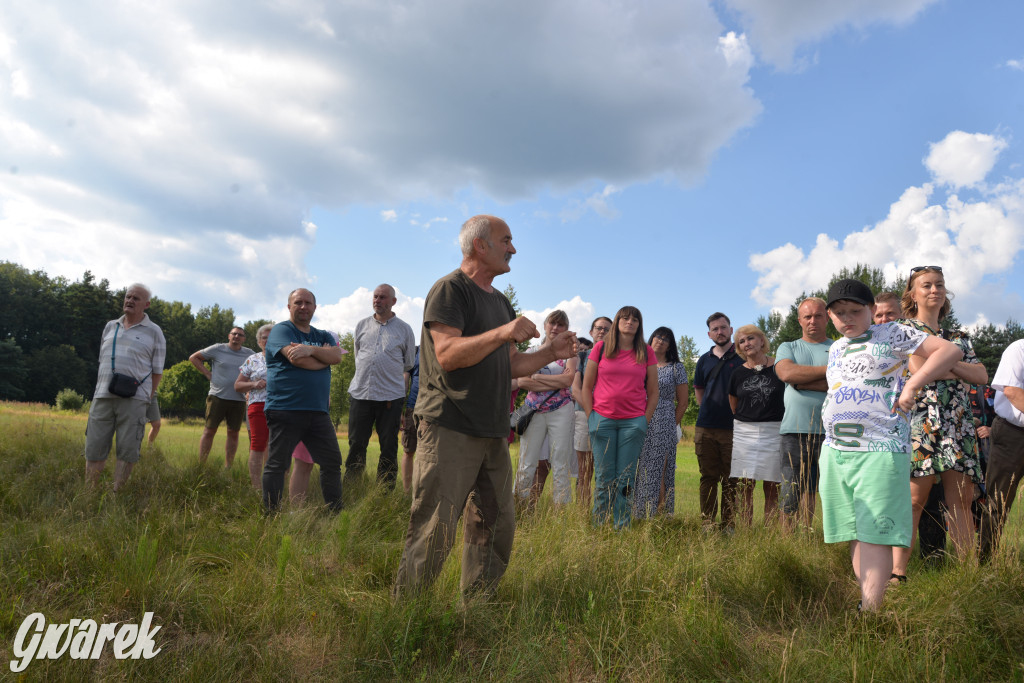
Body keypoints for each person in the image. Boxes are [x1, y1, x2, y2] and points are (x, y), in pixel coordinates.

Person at [393, 215, 577, 599]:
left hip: (493, 429)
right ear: (480, 245)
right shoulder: (450, 290)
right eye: (506, 239)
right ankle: (407, 614)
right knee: (435, 527)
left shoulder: (501, 302)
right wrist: (504, 332)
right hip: (450, 425)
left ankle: (477, 608)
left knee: (495, 524)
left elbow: (511, 364)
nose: (513, 248)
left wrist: (547, 352)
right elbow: (447, 354)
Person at [819, 279, 961, 611]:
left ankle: (870, 613)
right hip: (836, 450)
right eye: (839, 313)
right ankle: (866, 603)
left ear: (871, 309)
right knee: (855, 530)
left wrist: (914, 383)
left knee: (875, 533)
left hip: (880, 448)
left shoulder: (892, 333)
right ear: (830, 315)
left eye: (856, 311)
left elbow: (950, 350)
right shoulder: (837, 347)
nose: (848, 318)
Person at [891, 266, 987, 581]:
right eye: (927, 285)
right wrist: (956, 364)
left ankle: (968, 574)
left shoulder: (959, 336)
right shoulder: (904, 328)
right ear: (912, 293)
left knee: (960, 500)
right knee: (915, 499)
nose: (934, 290)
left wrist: (944, 364)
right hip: (919, 420)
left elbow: (982, 376)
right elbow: (920, 365)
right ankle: (897, 572)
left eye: (940, 285)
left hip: (957, 423)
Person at [261, 288, 344, 513]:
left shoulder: (322, 335)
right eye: (298, 302)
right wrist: (322, 358)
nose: (303, 307)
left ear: (315, 308)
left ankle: (335, 513)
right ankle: (271, 516)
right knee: (278, 465)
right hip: (285, 409)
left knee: (332, 462)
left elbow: (336, 356)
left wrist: (309, 349)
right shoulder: (281, 331)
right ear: (289, 306)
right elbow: (297, 360)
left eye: (308, 303)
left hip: (318, 412)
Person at [580, 306, 658, 529]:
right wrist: (591, 417)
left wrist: (644, 420)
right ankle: (598, 525)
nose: (630, 322)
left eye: (635, 319)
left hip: (633, 423)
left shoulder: (646, 351)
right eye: (625, 318)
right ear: (617, 321)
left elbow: (653, 392)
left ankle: (621, 526)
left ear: (639, 325)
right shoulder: (601, 348)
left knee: (626, 479)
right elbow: (587, 387)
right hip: (602, 420)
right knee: (604, 477)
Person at [84, 284, 166, 491]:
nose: (129, 300)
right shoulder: (111, 326)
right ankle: (89, 492)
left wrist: (148, 396)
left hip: (135, 398)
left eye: (136, 298)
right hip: (102, 395)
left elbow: (157, 371)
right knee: (95, 446)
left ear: (146, 304)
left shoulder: (155, 332)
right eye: (127, 297)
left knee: (128, 448)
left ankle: (116, 492)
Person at [345, 284, 417, 488]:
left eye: (383, 297)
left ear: (393, 301)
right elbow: (359, 355)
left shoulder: (404, 329)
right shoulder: (361, 325)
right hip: (360, 394)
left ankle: (384, 492)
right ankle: (352, 488)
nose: (377, 300)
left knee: (388, 446)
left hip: (389, 398)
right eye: (375, 297)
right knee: (356, 444)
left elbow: (408, 362)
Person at [774, 298, 833, 530]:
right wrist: (828, 372)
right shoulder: (788, 347)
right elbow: (787, 374)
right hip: (793, 431)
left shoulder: (839, 347)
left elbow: (844, 383)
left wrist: (803, 381)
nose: (813, 321)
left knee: (814, 489)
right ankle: (786, 541)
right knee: (790, 490)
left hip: (830, 432)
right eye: (807, 317)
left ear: (827, 317)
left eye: (818, 316)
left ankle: (807, 536)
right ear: (799, 320)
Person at [514, 310, 578, 509]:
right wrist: (553, 382)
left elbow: (568, 380)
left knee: (560, 463)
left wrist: (537, 377)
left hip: (561, 411)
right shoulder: (533, 352)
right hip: (534, 412)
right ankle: (519, 508)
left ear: (566, 330)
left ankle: (560, 513)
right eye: (552, 323)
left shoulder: (570, 354)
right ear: (545, 325)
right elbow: (522, 380)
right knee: (527, 462)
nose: (555, 328)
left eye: (561, 325)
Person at [728, 324, 784, 526]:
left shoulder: (779, 367)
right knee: (745, 486)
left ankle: (769, 533)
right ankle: (745, 532)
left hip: (775, 431)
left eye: (750, 338)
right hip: (745, 433)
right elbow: (733, 403)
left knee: (772, 486)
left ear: (762, 341)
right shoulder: (736, 374)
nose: (746, 344)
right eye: (741, 341)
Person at [693, 313, 744, 530]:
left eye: (723, 327)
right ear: (709, 334)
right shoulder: (704, 360)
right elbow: (699, 391)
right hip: (705, 428)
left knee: (731, 480)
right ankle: (707, 524)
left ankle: (729, 526)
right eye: (715, 329)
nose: (719, 332)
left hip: (734, 429)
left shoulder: (742, 357)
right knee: (708, 478)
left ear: (731, 330)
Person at [633, 327, 688, 519]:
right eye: (658, 336)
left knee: (659, 469)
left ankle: (660, 516)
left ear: (670, 345)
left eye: (666, 339)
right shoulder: (639, 363)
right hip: (638, 417)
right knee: (640, 467)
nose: (661, 340)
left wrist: (671, 426)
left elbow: (683, 402)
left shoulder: (676, 367)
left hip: (664, 419)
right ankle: (638, 513)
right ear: (651, 338)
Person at [979, 339, 1024, 561]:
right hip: (1013, 433)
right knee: (999, 501)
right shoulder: (1019, 349)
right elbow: (1012, 392)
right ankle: (984, 562)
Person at [189, 327, 255, 467]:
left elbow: (258, 367)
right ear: (228, 336)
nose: (236, 336)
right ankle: (201, 465)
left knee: (233, 433)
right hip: (217, 396)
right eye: (234, 334)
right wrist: (207, 374)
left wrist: (250, 387)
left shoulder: (249, 354)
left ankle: (228, 467)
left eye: (240, 335)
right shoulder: (218, 349)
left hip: (239, 399)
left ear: (244, 339)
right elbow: (194, 358)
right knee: (209, 430)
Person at [571, 319, 611, 507]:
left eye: (607, 329)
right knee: (584, 470)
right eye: (598, 328)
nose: (602, 331)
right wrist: (591, 411)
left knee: (606, 469)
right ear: (591, 331)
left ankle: (602, 511)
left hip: (611, 418)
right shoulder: (583, 356)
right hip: (584, 415)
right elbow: (575, 388)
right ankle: (582, 513)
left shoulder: (616, 357)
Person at [235, 323, 274, 489]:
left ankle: (275, 485)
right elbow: (237, 385)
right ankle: (257, 487)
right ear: (259, 341)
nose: (267, 340)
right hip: (258, 405)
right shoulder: (252, 360)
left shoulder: (286, 358)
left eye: (272, 337)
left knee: (277, 446)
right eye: (264, 337)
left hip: (281, 405)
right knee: (258, 444)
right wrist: (254, 384)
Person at [400, 346, 420, 494]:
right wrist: (399, 408)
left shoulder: (442, 347)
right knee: (408, 451)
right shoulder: (415, 351)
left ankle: (425, 493)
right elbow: (405, 381)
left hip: (436, 409)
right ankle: (406, 493)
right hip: (413, 407)